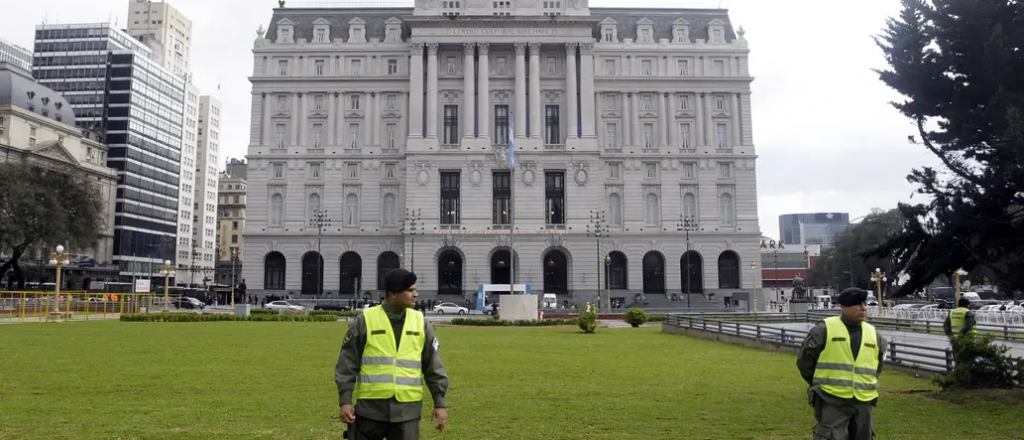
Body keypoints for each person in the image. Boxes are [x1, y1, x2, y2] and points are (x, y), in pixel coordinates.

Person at [335, 268, 449, 440]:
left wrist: (440, 403)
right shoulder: (365, 320)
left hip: (407, 412)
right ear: (393, 293)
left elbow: (433, 366)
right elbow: (347, 363)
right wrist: (345, 400)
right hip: (370, 411)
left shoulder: (421, 323)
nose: (415, 294)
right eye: (410, 290)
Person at [797, 287, 888, 440]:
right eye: (857, 304)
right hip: (832, 400)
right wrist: (819, 383)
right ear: (844, 307)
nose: (863, 308)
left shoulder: (874, 334)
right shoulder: (824, 329)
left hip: (863, 402)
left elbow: (877, 366)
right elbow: (805, 362)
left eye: (865, 304)